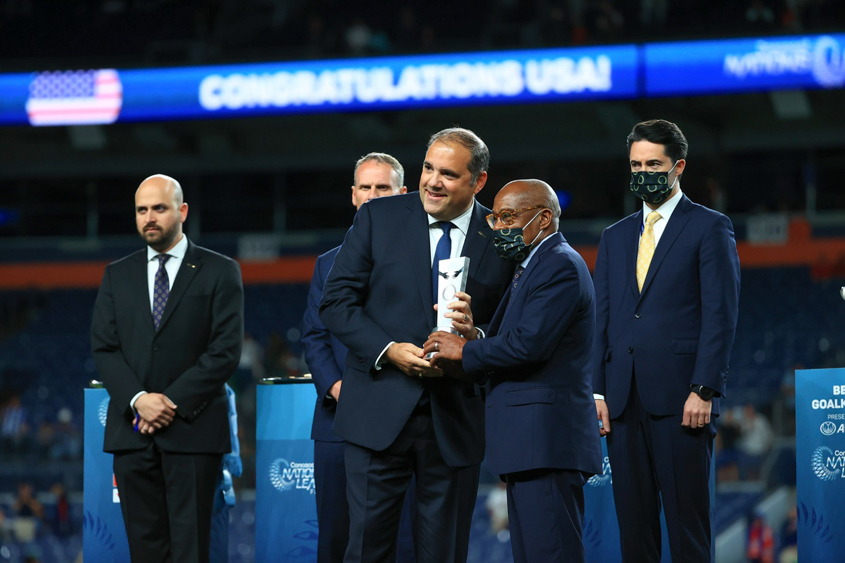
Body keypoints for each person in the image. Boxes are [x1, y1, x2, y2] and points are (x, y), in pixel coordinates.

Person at [319, 128, 513, 562]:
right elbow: (336, 303)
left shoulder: (499, 235)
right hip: (377, 412)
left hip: (456, 417)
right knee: (366, 550)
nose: (433, 182)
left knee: (443, 553)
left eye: (448, 174)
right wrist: (389, 350)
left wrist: (475, 339)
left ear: (478, 181)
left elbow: (510, 324)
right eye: (428, 168)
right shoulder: (377, 217)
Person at [423, 179, 602, 563]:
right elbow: (520, 337)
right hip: (530, 444)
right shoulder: (531, 265)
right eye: (495, 219)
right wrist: (477, 334)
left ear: (543, 218)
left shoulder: (559, 264)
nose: (499, 227)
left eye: (508, 217)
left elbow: (529, 345)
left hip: (546, 443)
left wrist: (465, 349)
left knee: (550, 555)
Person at [593, 119, 741, 562]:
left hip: (683, 400)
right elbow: (602, 320)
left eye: (653, 165)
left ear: (678, 166)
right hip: (621, 401)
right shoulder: (614, 236)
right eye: (636, 165)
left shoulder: (710, 226)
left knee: (687, 529)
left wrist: (704, 388)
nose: (643, 173)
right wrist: (596, 391)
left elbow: (721, 314)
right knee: (633, 531)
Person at [91, 174, 244, 563]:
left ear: (182, 211)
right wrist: (139, 400)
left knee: (192, 552)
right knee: (145, 552)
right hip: (132, 435)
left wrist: (169, 402)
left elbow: (225, 351)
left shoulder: (220, 270)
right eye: (141, 210)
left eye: (158, 208)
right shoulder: (116, 274)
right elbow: (105, 349)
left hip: (194, 433)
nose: (149, 218)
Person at [301, 152, 409, 563]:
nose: (372, 195)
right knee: (335, 540)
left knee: (401, 542)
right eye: (365, 187)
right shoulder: (327, 263)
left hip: (402, 419)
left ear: (403, 194)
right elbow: (315, 335)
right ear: (353, 194)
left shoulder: (423, 261)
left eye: (383, 188)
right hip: (338, 423)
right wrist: (336, 387)